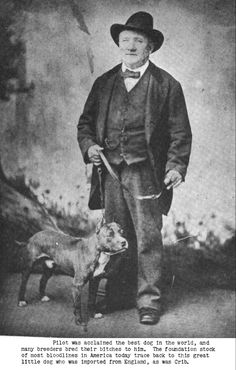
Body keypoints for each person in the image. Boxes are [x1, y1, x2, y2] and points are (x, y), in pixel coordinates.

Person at [77, 11, 192, 325]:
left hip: (146, 174)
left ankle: (149, 302)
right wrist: (90, 146)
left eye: (137, 40)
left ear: (149, 47)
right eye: (125, 39)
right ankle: (116, 294)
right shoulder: (104, 83)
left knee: (147, 238)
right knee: (114, 235)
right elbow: (85, 125)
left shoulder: (168, 85)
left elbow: (180, 132)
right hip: (112, 173)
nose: (129, 45)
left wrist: (176, 167)